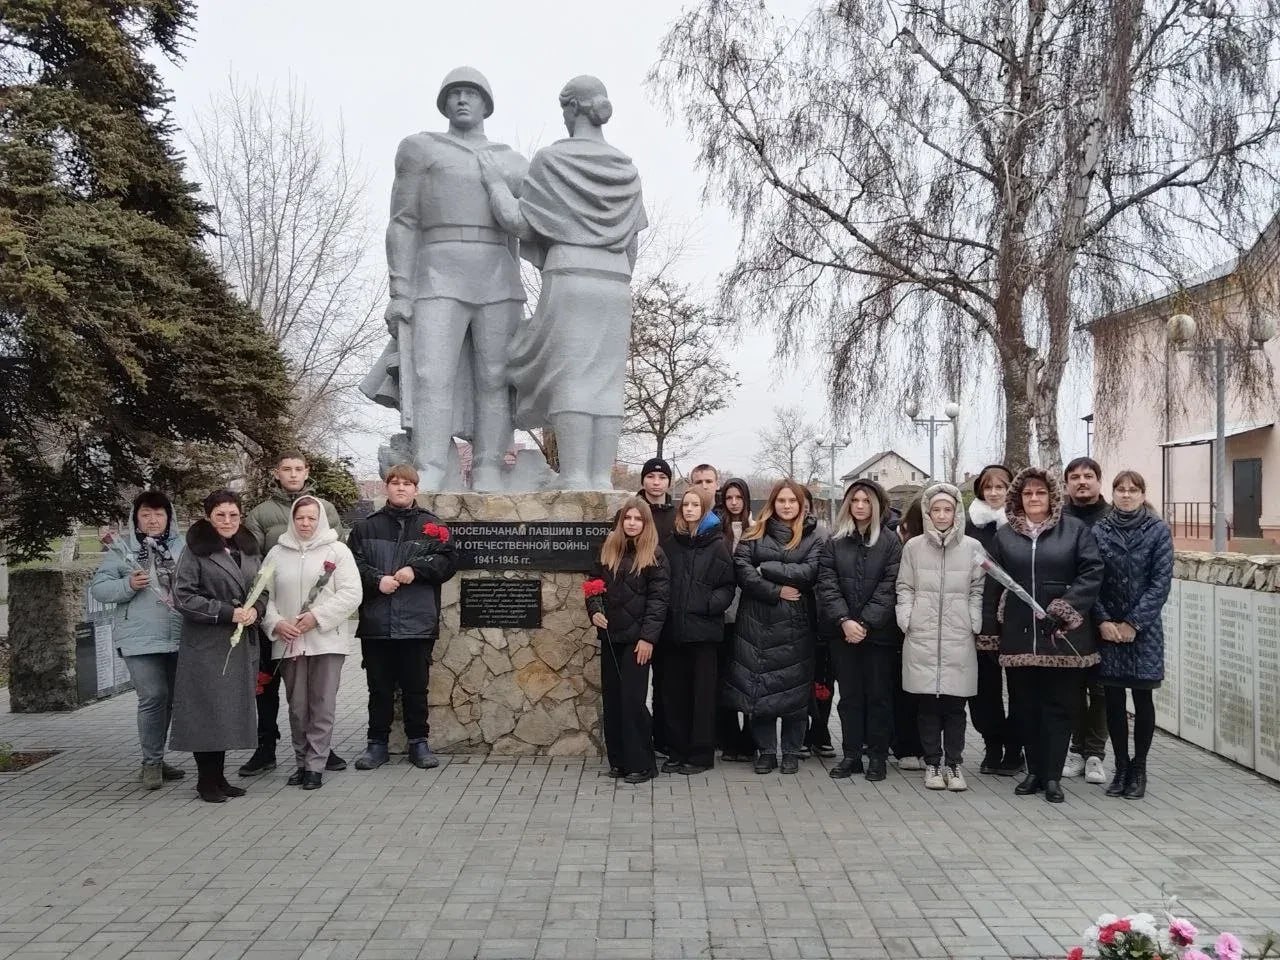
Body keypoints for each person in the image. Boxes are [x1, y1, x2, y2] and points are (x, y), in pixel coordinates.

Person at [362, 67, 529, 492]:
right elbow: (402, 222)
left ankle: (490, 464)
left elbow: (530, 225)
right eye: (453, 93)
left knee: (496, 375)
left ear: (486, 103)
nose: (461, 100)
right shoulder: (420, 149)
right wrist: (399, 290)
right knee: (432, 373)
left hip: (496, 272)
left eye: (471, 93)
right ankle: (432, 463)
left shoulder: (511, 160)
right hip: (437, 270)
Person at [478, 74, 647, 489]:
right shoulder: (626, 168)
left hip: (570, 277)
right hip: (615, 284)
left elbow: (519, 220)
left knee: (572, 374)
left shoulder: (552, 161)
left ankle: (574, 478)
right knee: (607, 379)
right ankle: (599, 479)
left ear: (570, 109)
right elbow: (631, 244)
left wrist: (494, 183)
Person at [981, 467, 1104, 803]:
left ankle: (1052, 776)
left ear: (1051, 496)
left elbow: (1091, 573)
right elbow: (993, 585)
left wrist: (1064, 609)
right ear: (1018, 498)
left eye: (1040, 493)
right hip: (1020, 636)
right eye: (1027, 493)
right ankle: (1033, 771)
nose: (1034, 499)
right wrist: (991, 632)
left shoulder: (1074, 531)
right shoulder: (1005, 537)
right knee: (1025, 707)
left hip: (1061, 637)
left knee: (1059, 708)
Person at [241, 450, 346, 778]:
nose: (292, 474)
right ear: (277, 472)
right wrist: (267, 615)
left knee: (316, 696)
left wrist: (318, 614)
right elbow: (253, 563)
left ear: (307, 471)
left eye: (298, 468)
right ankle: (265, 746)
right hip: (275, 618)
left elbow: (337, 563)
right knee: (270, 688)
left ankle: (319, 752)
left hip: (316, 628)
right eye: (286, 468)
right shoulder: (261, 513)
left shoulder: (324, 508)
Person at [348, 464, 458, 771]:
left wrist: (416, 570)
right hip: (377, 623)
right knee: (379, 688)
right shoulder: (365, 527)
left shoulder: (432, 525)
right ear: (386, 487)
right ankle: (376, 744)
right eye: (394, 483)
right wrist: (376, 579)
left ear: (415, 489)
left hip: (417, 622)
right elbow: (351, 565)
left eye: (406, 484)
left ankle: (418, 743)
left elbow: (448, 563)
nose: (400, 488)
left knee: (415, 687)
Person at [169, 491, 268, 803]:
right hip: (207, 644)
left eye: (233, 515)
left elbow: (262, 587)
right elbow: (184, 596)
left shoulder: (248, 547)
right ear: (209, 517)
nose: (228, 521)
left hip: (240, 643)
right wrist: (226, 612)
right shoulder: (195, 550)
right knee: (206, 712)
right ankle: (205, 781)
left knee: (226, 713)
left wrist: (257, 610)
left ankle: (220, 777)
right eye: (220, 515)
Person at [89, 490, 187, 790]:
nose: (153, 520)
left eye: (159, 514)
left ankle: (157, 755)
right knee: (153, 696)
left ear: (169, 517)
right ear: (136, 518)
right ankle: (150, 764)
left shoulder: (183, 547)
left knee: (170, 700)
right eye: (146, 514)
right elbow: (100, 589)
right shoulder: (122, 550)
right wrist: (127, 584)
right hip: (138, 638)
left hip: (180, 635)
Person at [263, 497, 362, 790]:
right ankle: (300, 762)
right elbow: (263, 595)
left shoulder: (338, 551)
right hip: (289, 641)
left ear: (319, 520)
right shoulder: (276, 554)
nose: (305, 523)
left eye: (310, 518)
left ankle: (316, 765)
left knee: (322, 705)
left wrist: (317, 617)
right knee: (297, 707)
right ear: (292, 520)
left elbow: (351, 593)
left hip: (325, 642)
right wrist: (276, 623)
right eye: (299, 518)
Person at [726, 479, 823, 775]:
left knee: (794, 691)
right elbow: (742, 570)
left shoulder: (812, 536)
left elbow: (809, 571)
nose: (787, 505)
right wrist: (776, 590)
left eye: (792, 501)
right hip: (758, 621)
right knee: (761, 688)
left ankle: (792, 751)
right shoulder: (755, 533)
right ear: (772, 503)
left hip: (796, 623)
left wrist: (766, 568)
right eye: (781, 500)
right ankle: (766, 750)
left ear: (801, 505)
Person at [896, 484, 985, 791]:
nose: (943, 515)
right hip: (922, 634)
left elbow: (978, 587)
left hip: (958, 635)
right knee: (928, 706)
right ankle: (932, 762)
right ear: (928, 512)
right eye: (937, 509)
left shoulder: (973, 547)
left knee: (955, 706)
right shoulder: (914, 547)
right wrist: (907, 617)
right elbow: (904, 586)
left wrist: (973, 619)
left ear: (957, 511)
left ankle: (955, 764)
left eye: (948, 509)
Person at [1093, 471, 1174, 800]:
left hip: (1144, 631)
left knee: (1142, 698)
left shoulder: (1158, 530)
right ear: (1113, 493)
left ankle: (1139, 767)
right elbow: (1090, 576)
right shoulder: (1100, 530)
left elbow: (1161, 582)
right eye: (1120, 489)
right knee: (1112, 700)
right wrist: (1103, 620)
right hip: (1109, 628)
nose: (1126, 495)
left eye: (1133, 490)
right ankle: (1121, 765)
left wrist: (1133, 623)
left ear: (1142, 494)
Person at [816, 479, 902, 781]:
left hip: (878, 635)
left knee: (879, 696)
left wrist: (864, 622)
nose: (861, 506)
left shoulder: (891, 542)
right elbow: (827, 585)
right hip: (842, 634)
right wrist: (844, 621)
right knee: (850, 696)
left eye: (866, 501)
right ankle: (851, 754)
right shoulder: (835, 542)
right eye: (855, 501)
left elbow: (890, 586)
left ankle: (877, 756)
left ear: (876, 505)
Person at [585, 498, 670, 784]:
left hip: (637, 642)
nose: (632, 523)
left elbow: (659, 602)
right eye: (628, 519)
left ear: (645, 523)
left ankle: (642, 764)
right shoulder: (608, 550)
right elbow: (592, 586)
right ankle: (619, 761)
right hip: (611, 637)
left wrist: (648, 638)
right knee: (613, 701)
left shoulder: (654, 555)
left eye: (638, 519)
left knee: (632, 701)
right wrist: (594, 611)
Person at [658, 489, 735, 774]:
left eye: (695, 505)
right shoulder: (671, 544)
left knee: (701, 696)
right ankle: (677, 751)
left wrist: (706, 604)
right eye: (685, 505)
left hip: (703, 633)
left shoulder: (717, 544)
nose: (689, 509)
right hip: (673, 631)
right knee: (673, 694)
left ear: (704, 509)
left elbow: (727, 586)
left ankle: (700, 755)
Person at [964, 464, 1024, 776]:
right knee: (983, 689)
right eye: (989, 487)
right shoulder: (970, 525)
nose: (995, 492)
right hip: (981, 614)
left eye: (1001, 486)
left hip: (1016, 616)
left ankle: (1016, 749)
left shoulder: (1021, 524)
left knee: (1018, 689)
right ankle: (993, 744)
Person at [1061, 456, 1111, 785]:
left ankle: (1096, 753)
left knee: (1103, 687)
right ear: (1066, 483)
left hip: (1106, 615)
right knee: (1073, 688)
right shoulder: (1058, 519)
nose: (1082, 481)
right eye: (1075, 476)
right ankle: (1076, 749)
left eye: (1088, 476)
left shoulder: (1112, 518)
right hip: (1070, 614)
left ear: (1098, 481)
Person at [715, 478, 757, 761]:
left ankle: (751, 739)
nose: (733, 502)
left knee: (750, 680)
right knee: (725, 680)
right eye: (729, 497)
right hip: (723, 616)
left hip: (752, 616)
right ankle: (729, 740)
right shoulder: (716, 530)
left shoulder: (757, 530)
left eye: (738, 497)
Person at [800, 488, 835, 759]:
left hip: (822, 617)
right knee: (800, 679)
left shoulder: (823, 535)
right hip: (794, 617)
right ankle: (801, 732)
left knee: (823, 681)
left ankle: (820, 730)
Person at [892, 496, 925, 771]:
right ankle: (906, 745)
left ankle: (926, 746)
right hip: (901, 623)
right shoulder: (900, 540)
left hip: (934, 626)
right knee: (904, 688)